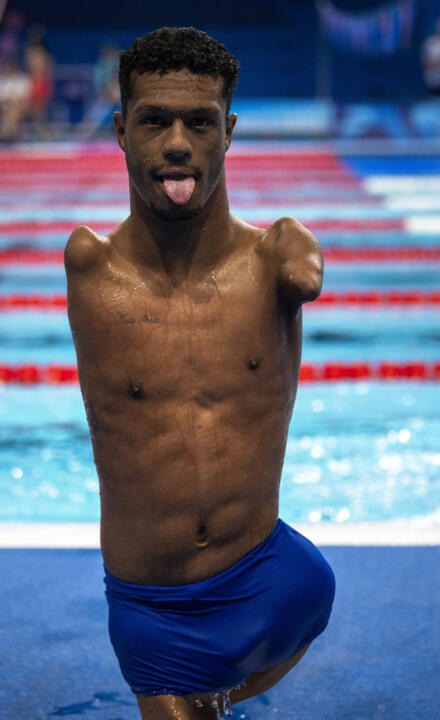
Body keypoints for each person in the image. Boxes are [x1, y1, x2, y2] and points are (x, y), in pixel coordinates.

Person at [64, 27, 334, 720]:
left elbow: (297, 256)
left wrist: (300, 249)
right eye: (154, 121)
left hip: (274, 579)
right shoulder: (90, 268)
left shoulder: (275, 256)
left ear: (229, 132)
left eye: (200, 123)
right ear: (122, 131)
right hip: (154, 607)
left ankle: (218, 693)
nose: (178, 144)